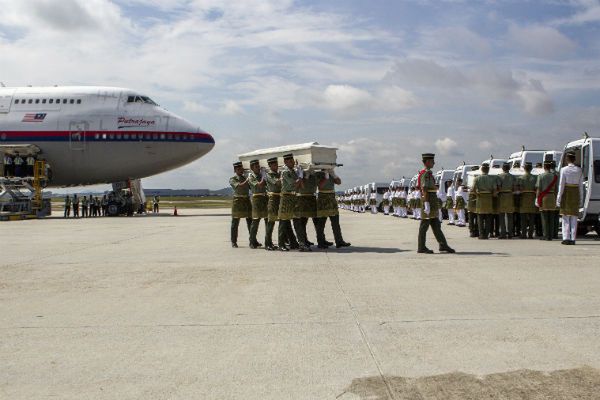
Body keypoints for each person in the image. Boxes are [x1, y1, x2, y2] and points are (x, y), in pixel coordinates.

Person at [417, 153, 455, 254]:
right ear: (428, 162)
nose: (434, 162)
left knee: (436, 224)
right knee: (424, 225)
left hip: (431, 200)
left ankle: (443, 245)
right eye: (432, 161)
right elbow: (424, 188)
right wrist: (426, 204)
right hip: (428, 200)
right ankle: (421, 247)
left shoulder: (428, 173)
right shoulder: (426, 173)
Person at [315, 169, 351, 249]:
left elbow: (339, 182)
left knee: (335, 222)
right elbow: (320, 186)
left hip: (331, 197)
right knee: (321, 223)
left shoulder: (331, 173)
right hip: (323, 198)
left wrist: (333, 174)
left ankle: (339, 241)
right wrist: (325, 177)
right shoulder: (318, 174)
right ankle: (320, 242)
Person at [556, 152, 583, 245]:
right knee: (574, 218)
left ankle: (566, 238)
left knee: (565, 217)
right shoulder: (579, 170)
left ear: (567, 159)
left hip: (566, 193)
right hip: (575, 193)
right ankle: (573, 239)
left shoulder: (563, 170)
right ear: (574, 159)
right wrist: (581, 198)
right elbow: (581, 185)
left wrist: (558, 198)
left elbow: (561, 185)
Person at [278, 153, 303, 251]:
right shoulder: (285, 172)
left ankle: (301, 243)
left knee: (297, 221)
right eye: (290, 161)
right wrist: (300, 176)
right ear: (285, 162)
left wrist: (300, 174)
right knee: (283, 222)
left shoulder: (293, 171)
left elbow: (301, 186)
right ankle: (281, 244)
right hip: (286, 198)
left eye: (293, 161)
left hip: (294, 197)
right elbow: (295, 184)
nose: (292, 163)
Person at [294, 167, 318, 251]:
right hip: (300, 200)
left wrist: (308, 175)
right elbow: (301, 187)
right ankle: (301, 243)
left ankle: (304, 241)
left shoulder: (313, 175)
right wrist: (304, 176)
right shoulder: (297, 174)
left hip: (309, 199)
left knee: (303, 222)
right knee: (300, 222)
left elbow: (314, 187)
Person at [229, 162, 252, 248]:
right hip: (238, 201)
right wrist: (248, 179)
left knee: (250, 221)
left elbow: (252, 187)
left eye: (241, 169)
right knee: (235, 222)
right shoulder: (233, 179)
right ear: (235, 170)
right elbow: (239, 186)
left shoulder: (245, 177)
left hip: (246, 200)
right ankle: (234, 241)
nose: (241, 170)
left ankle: (253, 240)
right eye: (238, 169)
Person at [265, 157, 285, 251]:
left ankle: (282, 243)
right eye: (274, 164)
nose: (276, 166)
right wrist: (282, 176)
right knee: (271, 222)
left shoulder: (279, 173)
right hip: (273, 199)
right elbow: (277, 182)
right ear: (270, 165)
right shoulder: (268, 175)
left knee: (282, 220)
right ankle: (267, 243)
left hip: (280, 198)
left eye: (276, 164)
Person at [536, 161, 558, 241]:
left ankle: (546, 235)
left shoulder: (541, 176)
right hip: (552, 197)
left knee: (544, 218)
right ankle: (551, 235)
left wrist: (537, 198)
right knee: (551, 218)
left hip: (544, 197)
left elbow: (539, 189)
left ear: (544, 167)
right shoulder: (554, 176)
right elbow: (556, 189)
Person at [473, 163, 496, 240]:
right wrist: (492, 195)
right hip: (489, 198)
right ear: (488, 169)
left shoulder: (477, 178)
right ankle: (486, 234)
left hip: (480, 198)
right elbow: (495, 190)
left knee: (480, 217)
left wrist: (477, 194)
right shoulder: (492, 179)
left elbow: (473, 189)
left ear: (481, 169)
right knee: (488, 218)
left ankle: (481, 234)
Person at [248, 160, 268, 249]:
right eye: (256, 167)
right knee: (255, 221)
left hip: (264, 198)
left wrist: (264, 175)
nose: (258, 168)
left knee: (267, 220)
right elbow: (260, 185)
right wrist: (264, 176)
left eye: (258, 166)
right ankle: (252, 241)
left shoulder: (261, 175)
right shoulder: (251, 177)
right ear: (252, 168)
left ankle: (268, 241)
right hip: (256, 199)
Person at [518, 162, 538, 239]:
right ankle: (530, 234)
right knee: (532, 219)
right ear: (531, 169)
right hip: (532, 198)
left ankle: (523, 234)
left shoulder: (520, 178)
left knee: (523, 219)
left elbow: (519, 189)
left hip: (524, 199)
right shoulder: (535, 178)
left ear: (524, 168)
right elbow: (536, 188)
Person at [497, 163, 516, 239]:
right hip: (510, 196)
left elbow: (498, 187)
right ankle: (510, 233)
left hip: (502, 196)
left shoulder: (499, 176)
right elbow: (514, 188)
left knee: (501, 216)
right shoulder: (512, 177)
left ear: (502, 168)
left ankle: (503, 233)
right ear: (509, 168)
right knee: (510, 216)